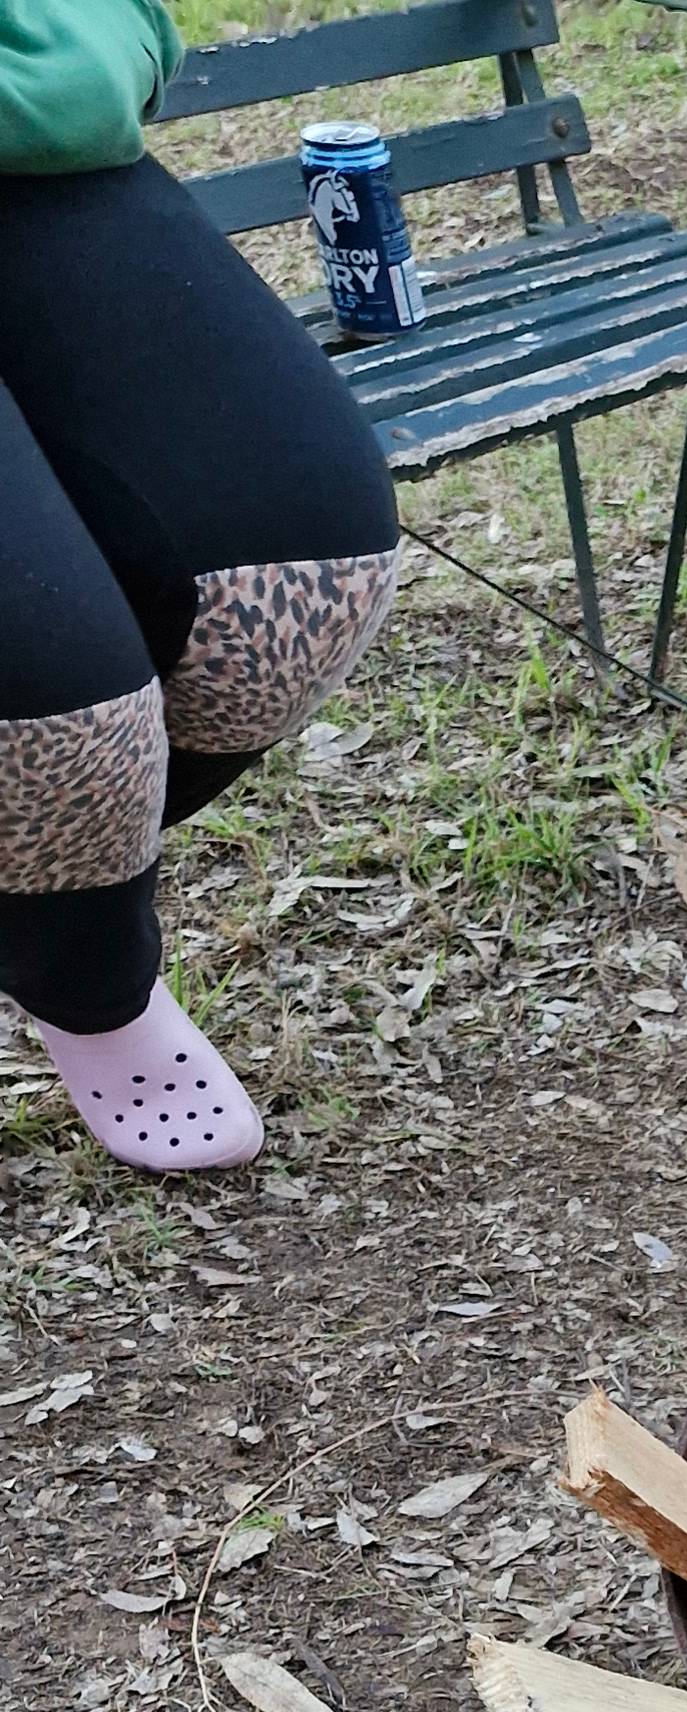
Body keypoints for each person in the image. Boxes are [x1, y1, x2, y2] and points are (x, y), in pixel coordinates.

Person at [1, 0, 402, 1169]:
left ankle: (39, 896)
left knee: (297, 579)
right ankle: (89, 978)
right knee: (52, 708)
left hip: (35, 124)